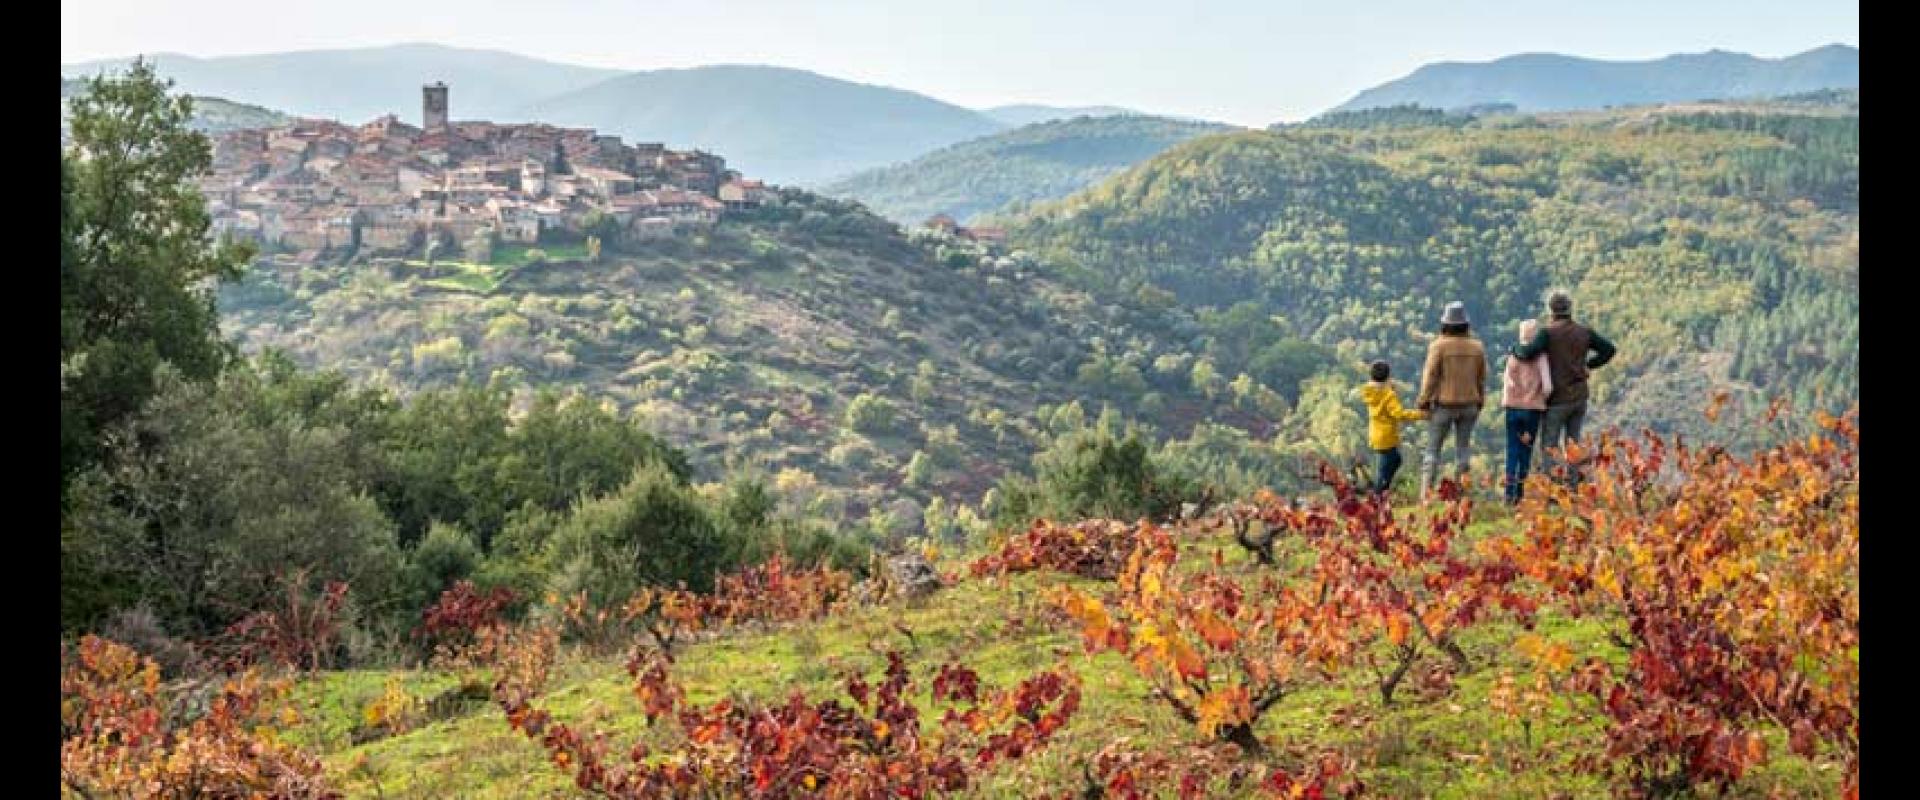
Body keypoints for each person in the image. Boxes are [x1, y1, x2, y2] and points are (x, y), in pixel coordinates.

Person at [1510, 291, 1616, 469]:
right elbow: (1609, 350)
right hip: (1579, 396)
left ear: (1551, 310)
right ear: (1570, 308)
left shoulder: (1548, 333)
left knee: (1549, 446)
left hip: (1557, 400)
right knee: (1573, 444)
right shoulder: (1584, 332)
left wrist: (1515, 349)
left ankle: (1552, 484)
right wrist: (1589, 365)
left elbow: (1528, 353)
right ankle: (1573, 483)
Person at [1416, 301, 1488, 500]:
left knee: (1432, 450)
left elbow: (1430, 376)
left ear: (1445, 324)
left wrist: (1423, 400)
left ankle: (1426, 495)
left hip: (1444, 405)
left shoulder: (1438, 346)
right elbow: (1482, 377)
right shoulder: (1477, 347)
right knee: (1463, 450)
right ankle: (1460, 494)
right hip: (1470, 404)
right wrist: (1480, 399)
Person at [1500, 319, 1552, 503]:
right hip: (1532, 410)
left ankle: (1508, 494)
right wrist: (1541, 398)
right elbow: (1547, 386)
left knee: (1512, 451)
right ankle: (1520, 494)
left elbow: (1507, 382)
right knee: (1525, 452)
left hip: (1512, 408)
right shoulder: (1541, 357)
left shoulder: (1512, 355)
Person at [1359, 360, 1427, 496]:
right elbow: (1399, 414)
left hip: (1375, 434)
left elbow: (1382, 401)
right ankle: (1379, 495)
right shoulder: (1388, 395)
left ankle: (1382, 490)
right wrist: (1421, 415)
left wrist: (1389, 388)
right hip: (1386, 436)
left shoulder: (1369, 391)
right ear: (1388, 376)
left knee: (1394, 460)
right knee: (1385, 469)